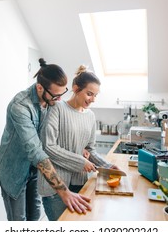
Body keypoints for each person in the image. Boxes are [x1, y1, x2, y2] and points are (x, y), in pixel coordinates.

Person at [0, 59, 91, 221]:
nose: (59, 100)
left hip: (35, 170)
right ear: (40, 88)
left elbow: (55, 133)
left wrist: (78, 148)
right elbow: (36, 152)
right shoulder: (20, 106)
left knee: (35, 218)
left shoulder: (51, 100)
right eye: (56, 95)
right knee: (19, 222)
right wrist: (64, 192)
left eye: (62, 93)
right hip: (14, 169)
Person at [38, 65, 119, 221]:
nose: (93, 99)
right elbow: (48, 147)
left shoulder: (90, 116)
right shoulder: (56, 108)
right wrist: (81, 161)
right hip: (56, 187)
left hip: (80, 182)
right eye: (89, 94)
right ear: (75, 88)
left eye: (95, 95)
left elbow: (90, 149)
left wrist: (106, 166)